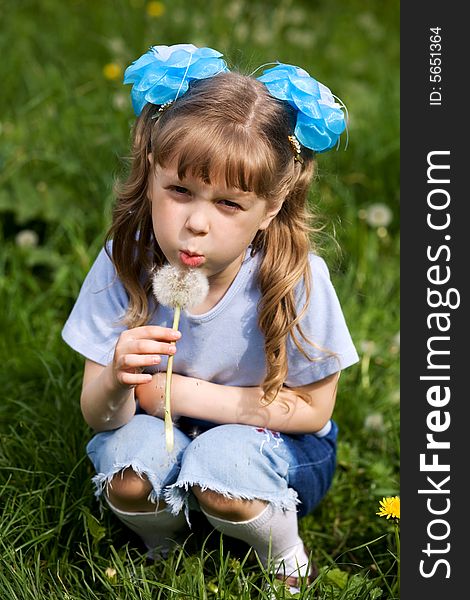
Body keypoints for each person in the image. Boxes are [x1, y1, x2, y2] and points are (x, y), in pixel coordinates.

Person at [62, 43, 359, 593]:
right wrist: (116, 381)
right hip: (163, 433)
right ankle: (163, 547)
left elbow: (316, 408)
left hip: (281, 444)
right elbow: (101, 418)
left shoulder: (294, 277)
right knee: (127, 464)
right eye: (179, 191)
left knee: (222, 462)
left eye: (228, 204)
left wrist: (180, 396)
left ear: (270, 208)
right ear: (151, 175)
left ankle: (286, 556)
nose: (197, 223)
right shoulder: (125, 260)